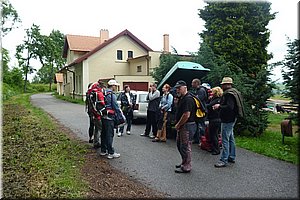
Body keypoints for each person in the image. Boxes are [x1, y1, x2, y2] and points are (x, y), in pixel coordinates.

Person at [213, 77, 242, 167]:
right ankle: (232, 156)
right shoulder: (235, 92)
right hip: (233, 118)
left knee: (225, 139)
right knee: (231, 138)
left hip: (227, 119)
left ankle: (223, 160)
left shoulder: (228, 94)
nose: (222, 86)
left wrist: (219, 106)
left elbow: (229, 107)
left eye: (223, 84)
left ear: (226, 85)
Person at [174, 80, 196, 173]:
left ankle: (187, 166)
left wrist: (178, 124)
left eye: (179, 88)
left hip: (187, 125)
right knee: (180, 145)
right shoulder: (182, 98)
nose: (178, 90)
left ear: (185, 87)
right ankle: (184, 162)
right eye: (177, 88)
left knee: (185, 146)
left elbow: (186, 114)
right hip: (184, 125)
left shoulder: (188, 99)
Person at [100, 79, 121, 159]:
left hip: (103, 115)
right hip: (110, 117)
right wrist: (120, 115)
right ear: (112, 86)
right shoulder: (111, 94)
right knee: (109, 135)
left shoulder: (103, 92)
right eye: (115, 86)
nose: (115, 87)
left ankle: (103, 150)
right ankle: (111, 152)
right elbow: (115, 106)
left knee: (104, 134)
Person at [190, 78, 207, 145]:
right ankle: (196, 139)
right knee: (196, 125)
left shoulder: (201, 90)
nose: (191, 84)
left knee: (201, 126)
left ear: (196, 83)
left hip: (201, 111)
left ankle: (203, 140)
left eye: (192, 83)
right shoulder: (197, 90)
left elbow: (198, 100)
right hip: (197, 111)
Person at [206, 86, 223, 155]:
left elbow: (208, 106)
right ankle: (214, 148)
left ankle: (216, 150)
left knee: (213, 135)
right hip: (215, 119)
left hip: (215, 119)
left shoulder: (217, 100)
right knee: (213, 134)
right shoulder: (217, 99)